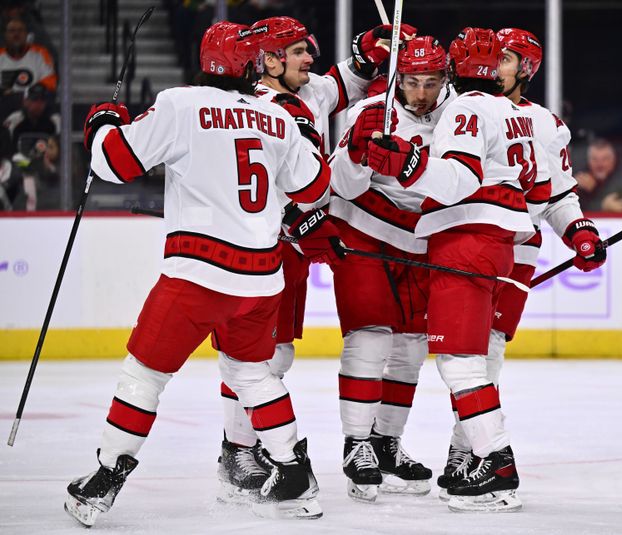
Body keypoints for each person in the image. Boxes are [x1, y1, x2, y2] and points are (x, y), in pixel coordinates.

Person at [64, 21, 343, 526]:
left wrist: (103, 122)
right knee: (252, 373)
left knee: (145, 375)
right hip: (262, 278)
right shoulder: (276, 116)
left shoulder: (180, 103)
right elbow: (312, 188)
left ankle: (105, 478)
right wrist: (302, 138)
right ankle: (294, 472)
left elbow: (114, 162)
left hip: (197, 274)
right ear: (253, 65)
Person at [214, 15, 417, 503]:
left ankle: (250, 447)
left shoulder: (307, 93)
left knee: (277, 352)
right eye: (300, 51)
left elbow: (341, 82)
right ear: (268, 59)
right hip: (254, 243)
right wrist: (295, 218)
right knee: (252, 353)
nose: (310, 59)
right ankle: (236, 450)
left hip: (294, 247)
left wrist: (373, 50)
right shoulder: (245, 108)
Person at [366, 27, 551, 513]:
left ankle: (495, 464)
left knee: (459, 362)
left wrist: (407, 164)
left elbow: (458, 180)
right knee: (472, 360)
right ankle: (479, 458)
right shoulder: (514, 114)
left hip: (466, 238)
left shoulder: (467, 108)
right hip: (496, 241)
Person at [434, 26, 607, 500]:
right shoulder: (462, 105)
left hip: (514, 245)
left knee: (481, 354)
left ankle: (479, 455)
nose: (498, 64)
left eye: (508, 58)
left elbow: (556, 195)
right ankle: (468, 450)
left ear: (526, 69)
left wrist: (579, 230)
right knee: (475, 355)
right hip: (489, 241)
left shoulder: (545, 123)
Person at [327, 35, 455, 502]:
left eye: (431, 82)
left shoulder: (461, 118)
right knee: (370, 336)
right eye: (413, 82)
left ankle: (385, 443)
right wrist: (358, 153)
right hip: (364, 233)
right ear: (398, 78)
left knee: (410, 348)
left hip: (420, 241)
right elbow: (339, 181)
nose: (421, 94)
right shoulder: (372, 111)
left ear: (446, 78)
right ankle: (356, 444)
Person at [0, 17, 56, 120]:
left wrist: (29, 94)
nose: (16, 34)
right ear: (5, 35)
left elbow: (51, 81)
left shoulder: (39, 53)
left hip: (33, 107)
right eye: (12, 31)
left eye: (20, 30)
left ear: (27, 34)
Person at [574, 137, 622, 212]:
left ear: (614, 159)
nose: (600, 165)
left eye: (605, 159)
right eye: (595, 159)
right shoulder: (580, 179)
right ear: (588, 161)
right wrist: (572, 187)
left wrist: (594, 189)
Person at [3, 82, 59, 150]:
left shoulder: (55, 120)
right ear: (25, 101)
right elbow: (5, 145)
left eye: (42, 100)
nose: (38, 104)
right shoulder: (14, 119)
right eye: (34, 99)